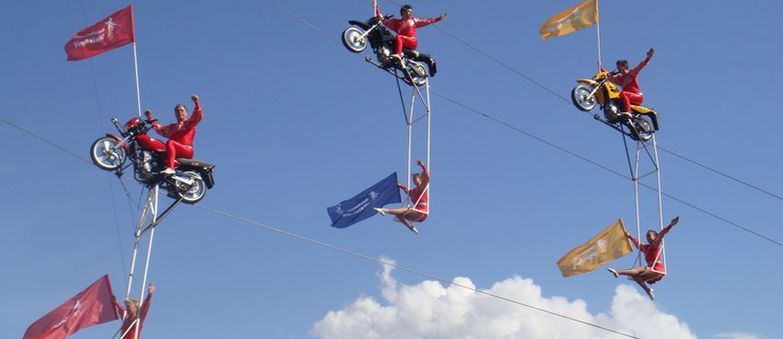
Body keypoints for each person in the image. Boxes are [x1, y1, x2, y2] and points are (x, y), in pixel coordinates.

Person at [607, 216, 679, 300]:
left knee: (637, 270)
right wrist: (629, 236)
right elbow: (637, 243)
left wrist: (671, 225)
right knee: (634, 275)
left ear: (655, 237)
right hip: (650, 268)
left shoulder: (655, 244)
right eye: (646, 236)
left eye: (649, 236)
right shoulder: (645, 247)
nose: (647, 238)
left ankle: (619, 271)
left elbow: (662, 233)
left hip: (656, 268)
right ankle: (648, 290)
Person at [372, 0, 446, 75]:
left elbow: (426, 21)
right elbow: (383, 20)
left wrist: (438, 18)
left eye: (411, 12)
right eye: (408, 11)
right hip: (402, 44)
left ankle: (398, 54)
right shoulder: (395, 22)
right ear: (403, 12)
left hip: (412, 42)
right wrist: (376, 8)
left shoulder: (413, 20)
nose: (410, 13)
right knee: (392, 41)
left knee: (398, 37)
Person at [141, 95, 204, 176]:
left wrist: (196, 103)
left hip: (186, 150)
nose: (179, 113)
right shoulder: (172, 127)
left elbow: (197, 116)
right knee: (159, 150)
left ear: (186, 113)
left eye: (182, 110)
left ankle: (171, 168)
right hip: (175, 150)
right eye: (177, 111)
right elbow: (159, 129)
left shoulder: (189, 123)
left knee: (170, 142)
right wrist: (150, 118)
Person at [374, 160, 429, 234]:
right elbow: (407, 190)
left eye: (415, 179)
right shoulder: (413, 191)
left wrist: (422, 165)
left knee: (406, 209)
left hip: (422, 213)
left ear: (420, 179)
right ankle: (412, 228)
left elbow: (427, 176)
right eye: (413, 180)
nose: (414, 181)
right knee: (398, 214)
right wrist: (399, 185)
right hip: (416, 214)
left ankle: (385, 210)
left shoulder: (423, 187)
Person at [604, 48, 655, 119]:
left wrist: (648, 57)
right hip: (629, 97)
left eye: (619, 66)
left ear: (624, 66)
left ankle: (628, 112)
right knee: (617, 97)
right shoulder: (620, 79)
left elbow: (641, 66)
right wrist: (601, 68)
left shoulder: (631, 73)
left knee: (623, 93)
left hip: (637, 96)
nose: (618, 69)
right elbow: (609, 77)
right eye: (617, 67)